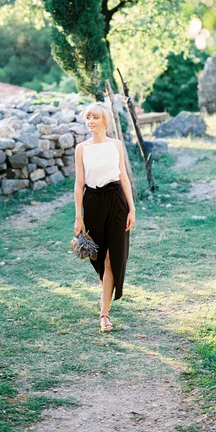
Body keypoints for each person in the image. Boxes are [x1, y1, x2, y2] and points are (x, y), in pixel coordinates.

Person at [74, 101, 136, 332]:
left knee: (113, 256)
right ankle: (106, 291)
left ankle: (104, 313)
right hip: (93, 203)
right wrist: (78, 216)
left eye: (95, 117)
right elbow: (79, 184)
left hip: (117, 200)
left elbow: (124, 178)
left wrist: (132, 208)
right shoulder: (82, 148)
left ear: (105, 121)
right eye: (88, 117)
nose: (90, 121)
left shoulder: (116, 145)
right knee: (97, 257)